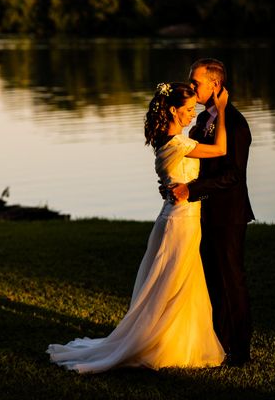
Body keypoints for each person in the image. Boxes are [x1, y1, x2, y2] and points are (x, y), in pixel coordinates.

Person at [47, 82, 229, 373]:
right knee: (172, 284)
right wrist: (219, 110)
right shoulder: (179, 143)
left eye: (195, 109)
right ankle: (158, 344)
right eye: (187, 109)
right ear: (172, 109)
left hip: (175, 215)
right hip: (180, 221)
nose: (192, 115)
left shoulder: (163, 139)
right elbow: (221, 149)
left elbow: (172, 178)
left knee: (177, 283)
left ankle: (177, 342)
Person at [169, 59, 254, 366]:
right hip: (203, 213)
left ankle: (240, 352)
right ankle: (218, 343)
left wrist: (192, 190)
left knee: (232, 280)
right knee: (212, 281)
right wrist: (178, 183)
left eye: (195, 83)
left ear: (215, 85)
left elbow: (234, 175)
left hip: (229, 214)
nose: (191, 88)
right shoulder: (203, 119)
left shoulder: (235, 124)